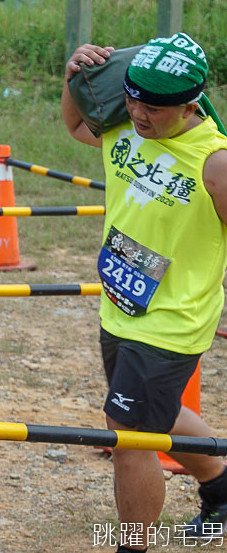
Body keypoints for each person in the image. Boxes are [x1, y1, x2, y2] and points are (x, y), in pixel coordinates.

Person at [62, 33, 227, 551]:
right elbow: (74, 125)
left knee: (128, 437)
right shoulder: (124, 126)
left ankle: (132, 545)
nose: (138, 112)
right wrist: (74, 78)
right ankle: (223, 488)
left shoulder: (213, 163)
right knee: (152, 411)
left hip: (173, 320)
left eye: (154, 107)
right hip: (121, 303)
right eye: (132, 97)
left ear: (190, 105)